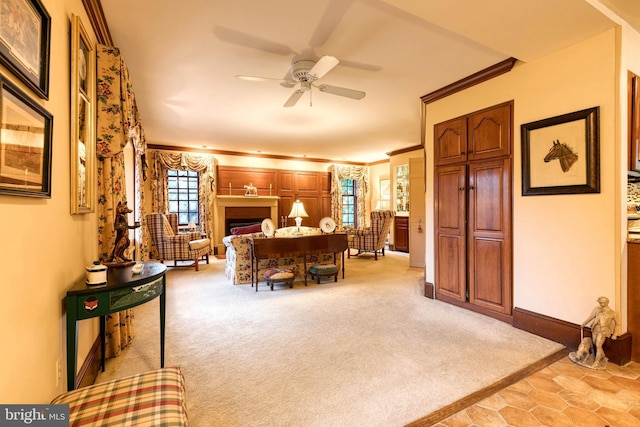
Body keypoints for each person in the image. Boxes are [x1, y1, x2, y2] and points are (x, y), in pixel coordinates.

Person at [581, 296, 618, 367]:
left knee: (598, 345)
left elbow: (618, 324)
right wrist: (584, 323)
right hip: (595, 328)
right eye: (600, 303)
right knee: (595, 343)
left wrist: (615, 334)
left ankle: (597, 361)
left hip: (603, 330)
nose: (601, 304)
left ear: (607, 302)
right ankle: (602, 355)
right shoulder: (597, 310)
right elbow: (591, 316)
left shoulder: (612, 313)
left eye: (603, 303)